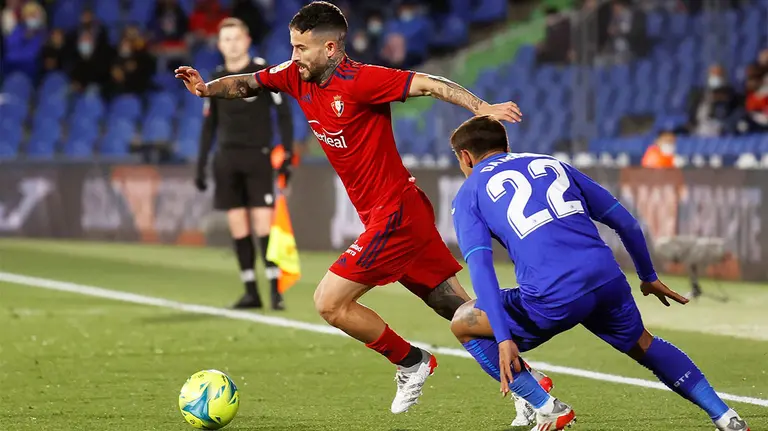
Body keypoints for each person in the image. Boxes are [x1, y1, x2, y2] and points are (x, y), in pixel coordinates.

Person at [174, 1, 553, 418]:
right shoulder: (294, 76)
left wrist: (479, 108)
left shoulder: (362, 80)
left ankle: (412, 361)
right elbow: (250, 83)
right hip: (389, 213)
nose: (294, 56)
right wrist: (208, 88)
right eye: (292, 46)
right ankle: (532, 389)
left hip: (397, 214)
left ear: (332, 48)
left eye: (302, 48)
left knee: (329, 302)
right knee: (459, 310)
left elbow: (428, 83)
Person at [448, 115, 750, 431]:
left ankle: (546, 406)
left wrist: (503, 336)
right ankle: (726, 417)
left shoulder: (469, 193)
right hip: (607, 279)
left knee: (463, 323)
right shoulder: (553, 164)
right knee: (644, 344)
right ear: (505, 146)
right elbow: (627, 223)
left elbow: (481, 267)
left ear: (465, 156)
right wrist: (647, 275)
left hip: (553, 295)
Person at [196, 18, 294, 311]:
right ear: (219, 45)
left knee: (264, 227)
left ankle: (276, 291)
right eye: (226, 39)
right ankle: (251, 291)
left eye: (236, 38)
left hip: (258, 157)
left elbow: (285, 117)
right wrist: (200, 164)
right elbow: (208, 126)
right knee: (238, 228)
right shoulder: (215, 78)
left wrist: (286, 154)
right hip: (226, 159)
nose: (232, 44)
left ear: (247, 40)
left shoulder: (264, 74)